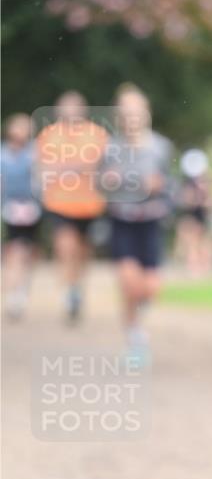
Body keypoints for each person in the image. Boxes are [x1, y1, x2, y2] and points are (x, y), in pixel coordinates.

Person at [99, 84, 174, 361]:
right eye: (126, 111)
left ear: (146, 113)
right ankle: (135, 336)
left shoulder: (161, 147)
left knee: (150, 287)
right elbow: (98, 184)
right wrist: (108, 181)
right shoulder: (110, 147)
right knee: (129, 281)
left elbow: (172, 186)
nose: (132, 116)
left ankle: (137, 319)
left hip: (152, 221)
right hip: (122, 219)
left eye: (136, 111)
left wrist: (160, 187)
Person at [34, 91, 108, 323]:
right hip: (59, 202)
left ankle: (77, 288)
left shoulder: (96, 134)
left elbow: (97, 166)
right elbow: (43, 169)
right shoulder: (49, 135)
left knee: (83, 252)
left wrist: (62, 166)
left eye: (75, 107)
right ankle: (69, 291)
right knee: (66, 247)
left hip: (90, 204)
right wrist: (77, 165)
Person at [1, 113, 41, 320]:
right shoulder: (3, 155)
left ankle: (23, 288)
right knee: (14, 251)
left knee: (29, 253)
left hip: (33, 210)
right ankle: (13, 295)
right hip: (10, 209)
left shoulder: (35, 153)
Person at [175, 148, 212, 277]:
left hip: (202, 215)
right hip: (191, 215)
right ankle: (194, 267)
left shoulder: (206, 183)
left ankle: (204, 267)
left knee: (203, 242)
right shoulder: (187, 183)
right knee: (191, 242)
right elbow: (186, 201)